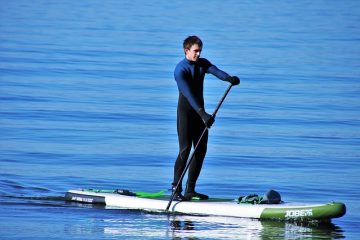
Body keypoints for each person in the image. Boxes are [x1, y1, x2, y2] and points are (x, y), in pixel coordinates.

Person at [172, 36, 240, 201]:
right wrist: (203, 114)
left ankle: (190, 190)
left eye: (200, 50)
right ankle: (176, 189)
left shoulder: (202, 63)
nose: (198, 53)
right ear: (186, 51)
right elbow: (187, 93)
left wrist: (229, 78)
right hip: (186, 113)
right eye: (195, 51)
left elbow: (216, 71)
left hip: (200, 113)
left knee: (201, 150)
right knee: (185, 149)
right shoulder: (180, 70)